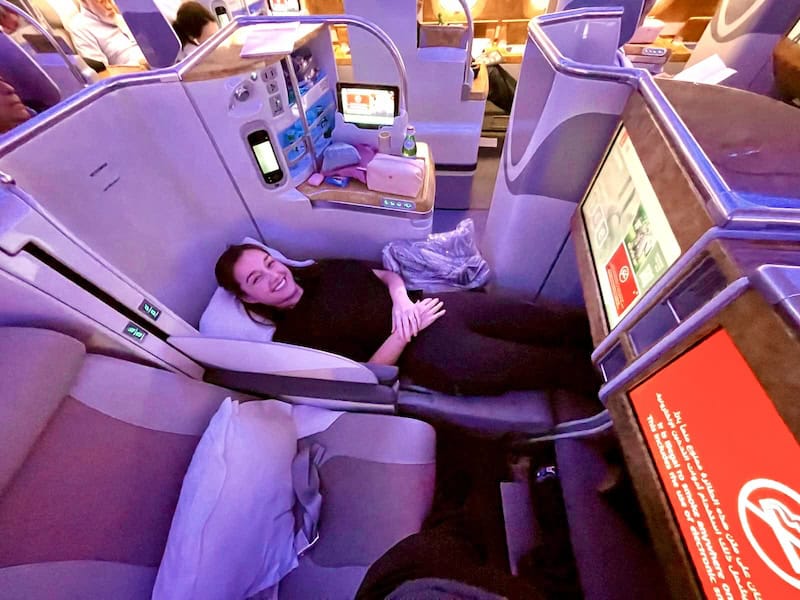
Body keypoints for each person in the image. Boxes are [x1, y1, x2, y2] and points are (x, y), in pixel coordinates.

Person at [214, 245, 600, 396]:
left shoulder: (319, 269)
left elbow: (382, 275)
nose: (274, 275)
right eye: (256, 279)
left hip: (429, 306)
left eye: (269, 263)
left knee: (547, 322)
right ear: (248, 297)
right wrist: (404, 330)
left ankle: (638, 337)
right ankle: (634, 394)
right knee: (551, 365)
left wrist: (401, 301)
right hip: (429, 352)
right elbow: (366, 375)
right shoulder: (292, 339)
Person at [66, 0, 146, 69]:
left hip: (155, 66)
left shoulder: (121, 15)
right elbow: (102, 74)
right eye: (102, 1)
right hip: (136, 77)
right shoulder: (80, 27)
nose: (109, 6)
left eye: (110, 0)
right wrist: (138, 66)